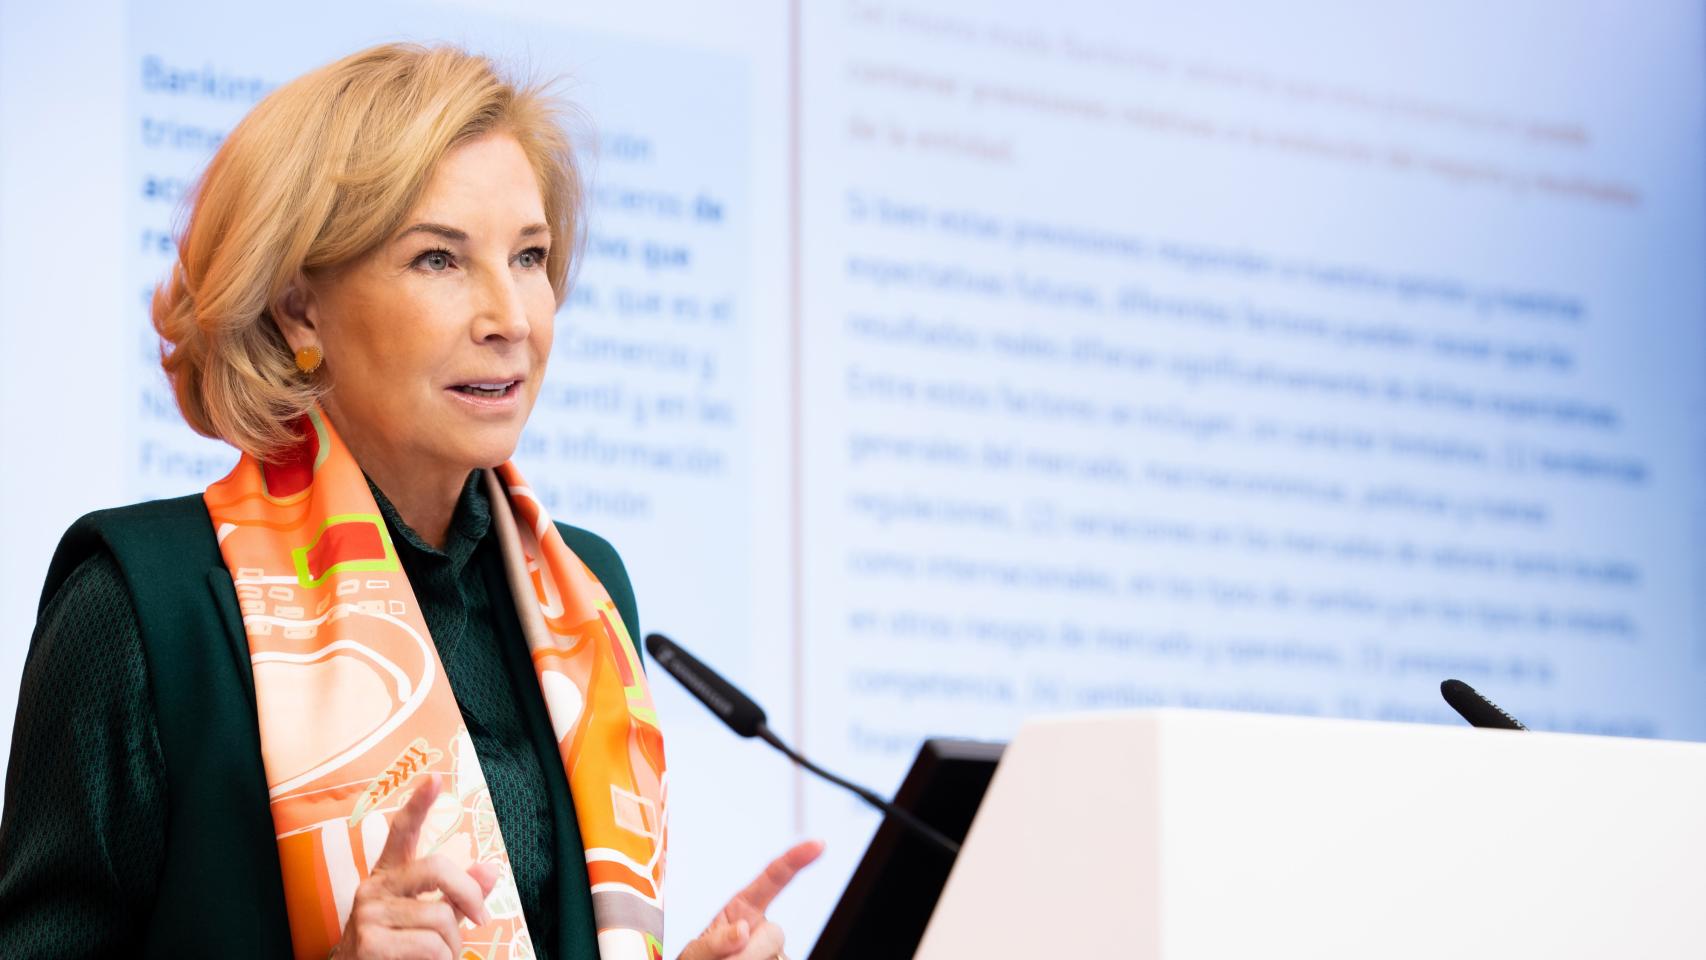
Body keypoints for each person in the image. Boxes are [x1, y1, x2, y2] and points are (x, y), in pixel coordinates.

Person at [0, 42, 818, 960]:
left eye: (531, 256)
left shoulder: (586, 595)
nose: (510, 316)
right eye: (439, 259)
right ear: (299, 309)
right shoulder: (143, 603)